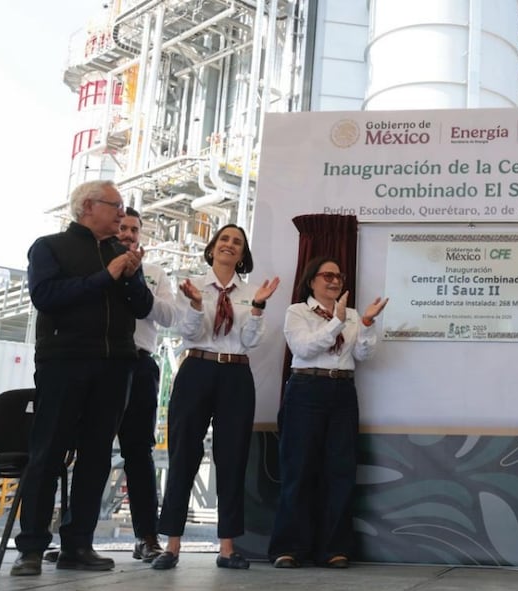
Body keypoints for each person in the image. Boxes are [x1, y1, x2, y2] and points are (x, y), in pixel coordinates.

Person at [12, 180, 153, 576]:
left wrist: (131, 276)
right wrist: (106, 276)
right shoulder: (50, 247)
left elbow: (143, 308)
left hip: (115, 365)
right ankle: (31, 548)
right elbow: (46, 296)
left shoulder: (122, 253)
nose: (122, 214)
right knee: (48, 452)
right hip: (65, 362)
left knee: (96, 457)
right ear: (89, 206)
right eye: (116, 205)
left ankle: (77, 545)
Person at [150, 223, 279, 570]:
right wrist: (195, 304)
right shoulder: (191, 285)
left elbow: (250, 341)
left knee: (233, 458)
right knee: (183, 454)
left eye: (237, 242)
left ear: (243, 254)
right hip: (197, 369)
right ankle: (171, 544)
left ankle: (227, 548)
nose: (230, 245)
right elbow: (188, 332)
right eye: (224, 239)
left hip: (236, 374)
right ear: (212, 248)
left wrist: (257, 308)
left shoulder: (251, 292)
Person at [268, 257, 388, 569]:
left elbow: (364, 354)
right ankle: (289, 547)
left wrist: (366, 323)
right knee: (298, 469)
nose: (335, 281)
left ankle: (334, 548)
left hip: (342, 391)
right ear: (311, 281)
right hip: (306, 389)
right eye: (328, 276)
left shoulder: (352, 315)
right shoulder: (297, 311)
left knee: (340, 470)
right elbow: (304, 349)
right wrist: (337, 321)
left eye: (339, 276)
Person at [116, 208, 177, 561]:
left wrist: (138, 280)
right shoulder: (95, 267)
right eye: (122, 227)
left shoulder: (154, 273)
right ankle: (74, 539)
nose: (128, 234)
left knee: (139, 452)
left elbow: (168, 316)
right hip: (100, 362)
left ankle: (147, 538)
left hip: (140, 362)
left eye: (134, 229)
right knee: (89, 451)